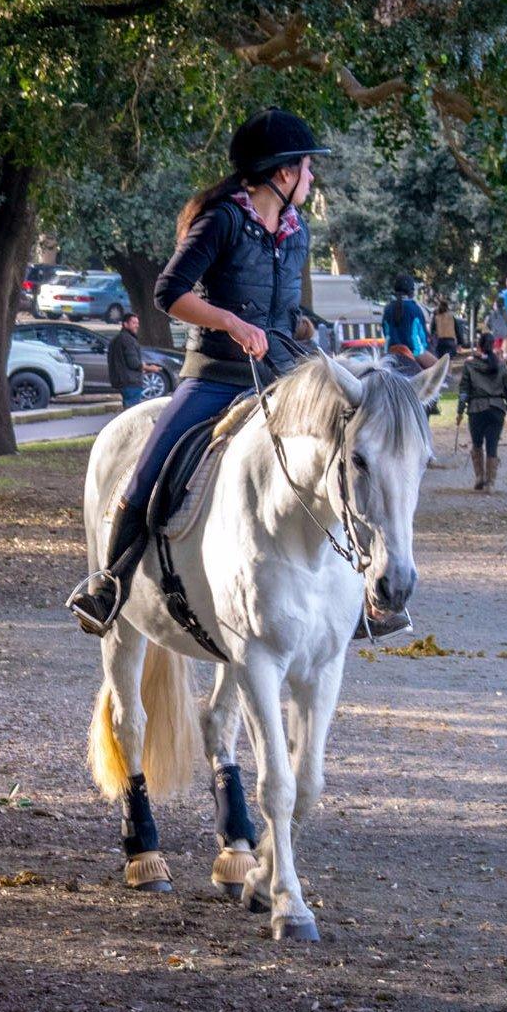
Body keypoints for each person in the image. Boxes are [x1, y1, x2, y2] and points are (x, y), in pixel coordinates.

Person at [67, 109, 411, 641]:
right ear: (281, 173)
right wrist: (229, 321)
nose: (312, 177)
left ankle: (360, 594)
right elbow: (169, 293)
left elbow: (283, 309)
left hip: (284, 371)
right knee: (145, 473)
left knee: (345, 461)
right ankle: (108, 583)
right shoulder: (222, 220)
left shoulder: (298, 232)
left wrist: (301, 328)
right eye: (306, 167)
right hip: (216, 373)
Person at [457, 331, 507, 491]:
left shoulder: (469, 365)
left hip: (476, 410)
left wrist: (460, 411)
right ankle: (490, 483)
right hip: (497, 410)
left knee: (477, 444)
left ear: (479, 346)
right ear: (493, 346)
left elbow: (464, 390)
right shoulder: (502, 366)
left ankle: (479, 477)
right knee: (492, 446)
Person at [108, 311, 153, 410]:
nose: (137, 326)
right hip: (131, 381)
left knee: (127, 410)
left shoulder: (116, 339)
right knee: (132, 411)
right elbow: (133, 363)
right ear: (125, 324)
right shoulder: (128, 340)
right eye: (134, 323)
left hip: (121, 380)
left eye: (137, 323)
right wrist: (149, 368)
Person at [382, 277, 429, 361]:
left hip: (390, 353)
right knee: (442, 369)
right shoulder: (415, 309)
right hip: (414, 352)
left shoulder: (388, 308)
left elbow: (386, 332)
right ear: (411, 292)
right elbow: (422, 334)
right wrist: (425, 346)